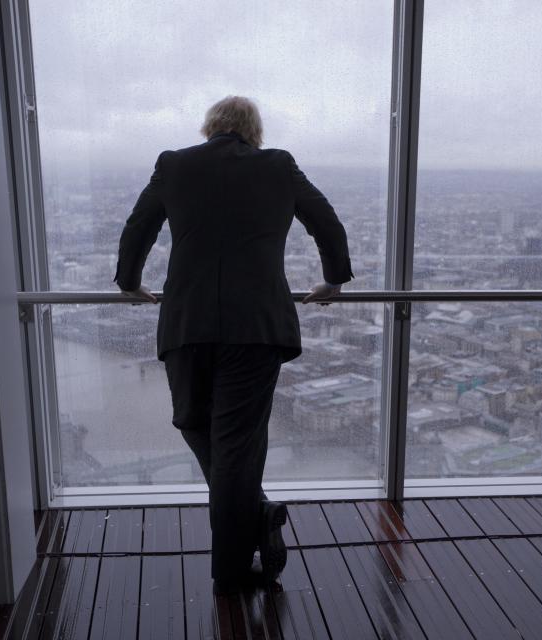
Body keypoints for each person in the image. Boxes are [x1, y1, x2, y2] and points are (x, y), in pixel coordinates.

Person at [112, 96, 353, 594]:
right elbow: (326, 223)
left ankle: (230, 569)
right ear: (253, 131)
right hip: (257, 329)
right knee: (237, 447)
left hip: (186, 323)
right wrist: (332, 280)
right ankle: (256, 512)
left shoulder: (173, 164)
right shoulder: (279, 166)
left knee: (193, 422)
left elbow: (138, 227)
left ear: (210, 128)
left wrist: (128, 282)